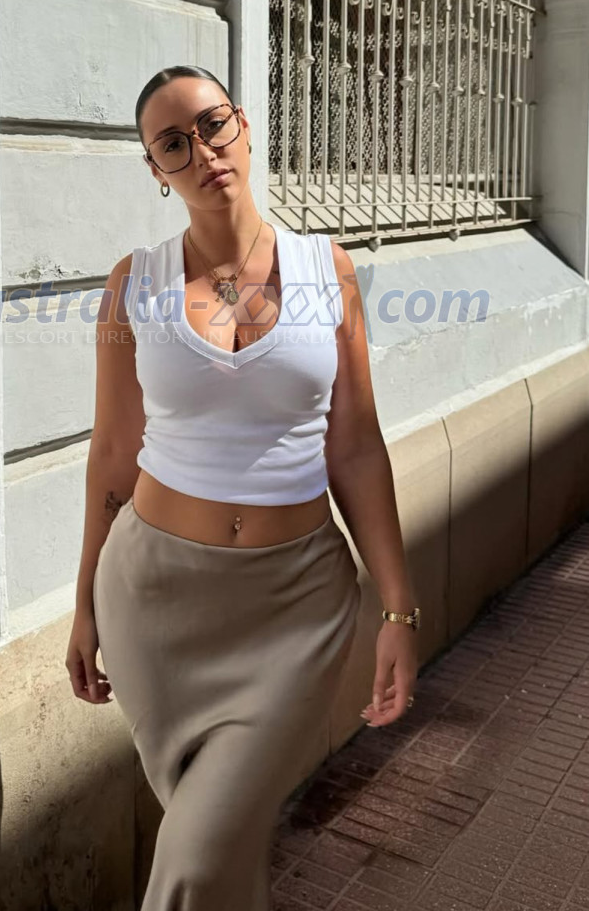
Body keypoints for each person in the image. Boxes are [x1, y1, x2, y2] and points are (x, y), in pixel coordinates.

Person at [66, 65, 419, 909]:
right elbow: (113, 453)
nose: (202, 151)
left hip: (294, 606)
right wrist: (82, 603)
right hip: (154, 601)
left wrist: (398, 608)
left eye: (212, 124)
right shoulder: (133, 283)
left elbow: (355, 448)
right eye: (172, 144)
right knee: (220, 862)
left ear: (246, 126)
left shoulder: (328, 272)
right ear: (155, 170)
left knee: (197, 859)